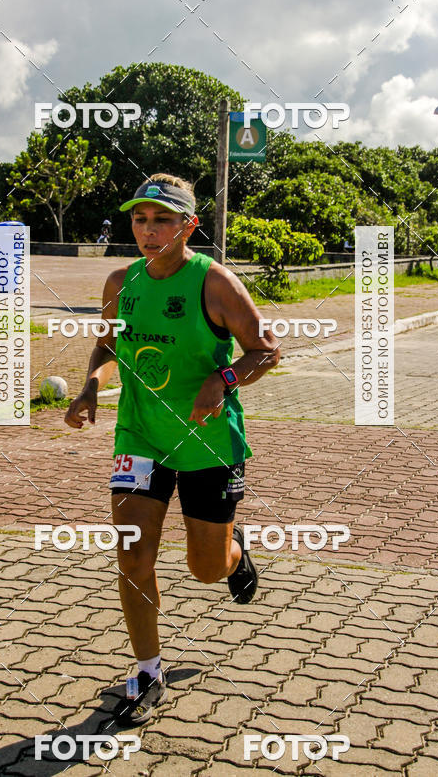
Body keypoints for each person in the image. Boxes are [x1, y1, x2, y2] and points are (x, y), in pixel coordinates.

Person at [65, 174, 280, 726]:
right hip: (139, 436)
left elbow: (265, 350)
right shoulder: (121, 280)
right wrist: (91, 384)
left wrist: (223, 379)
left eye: (162, 219)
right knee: (133, 555)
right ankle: (147, 670)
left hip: (208, 440)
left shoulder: (215, 283)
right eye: (140, 219)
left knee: (205, 568)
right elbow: (109, 341)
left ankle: (234, 554)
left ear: (190, 225)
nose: (149, 229)